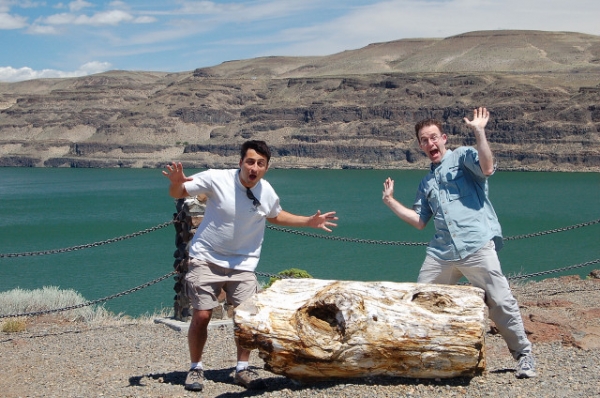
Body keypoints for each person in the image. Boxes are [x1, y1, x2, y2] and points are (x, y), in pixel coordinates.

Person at [163, 140, 338, 391]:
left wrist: (309, 221)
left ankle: (242, 369)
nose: (254, 168)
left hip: (243, 263)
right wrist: (177, 181)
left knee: (246, 319)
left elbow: (276, 214)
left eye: (260, 163)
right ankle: (195, 368)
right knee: (202, 314)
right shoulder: (216, 179)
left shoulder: (266, 191)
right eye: (250, 161)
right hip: (207, 258)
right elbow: (178, 193)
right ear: (240, 162)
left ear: (266, 167)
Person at [381, 107, 536, 379]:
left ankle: (523, 354)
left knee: (500, 301)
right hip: (441, 253)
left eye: (433, 138)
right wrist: (390, 201)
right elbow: (419, 221)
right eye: (424, 140)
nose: (430, 144)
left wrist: (479, 132)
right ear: (420, 146)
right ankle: (418, 356)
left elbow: (487, 167)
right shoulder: (426, 182)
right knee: (419, 301)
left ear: (444, 138)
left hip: (476, 245)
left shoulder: (464, 157)